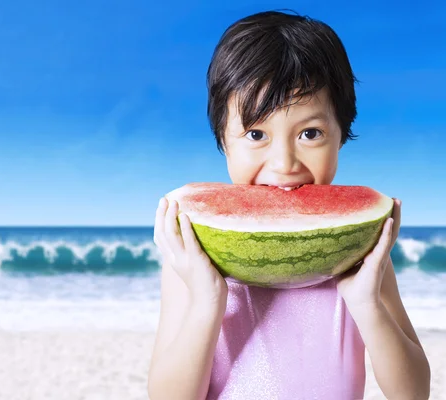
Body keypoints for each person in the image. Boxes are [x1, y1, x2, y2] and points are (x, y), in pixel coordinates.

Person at [148, 10, 430, 400]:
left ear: (341, 136)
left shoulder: (359, 255)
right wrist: (207, 298)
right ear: (223, 141)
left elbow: (412, 393)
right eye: (256, 133)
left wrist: (366, 302)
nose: (284, 164)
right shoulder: (191, 261)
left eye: (310, 133)